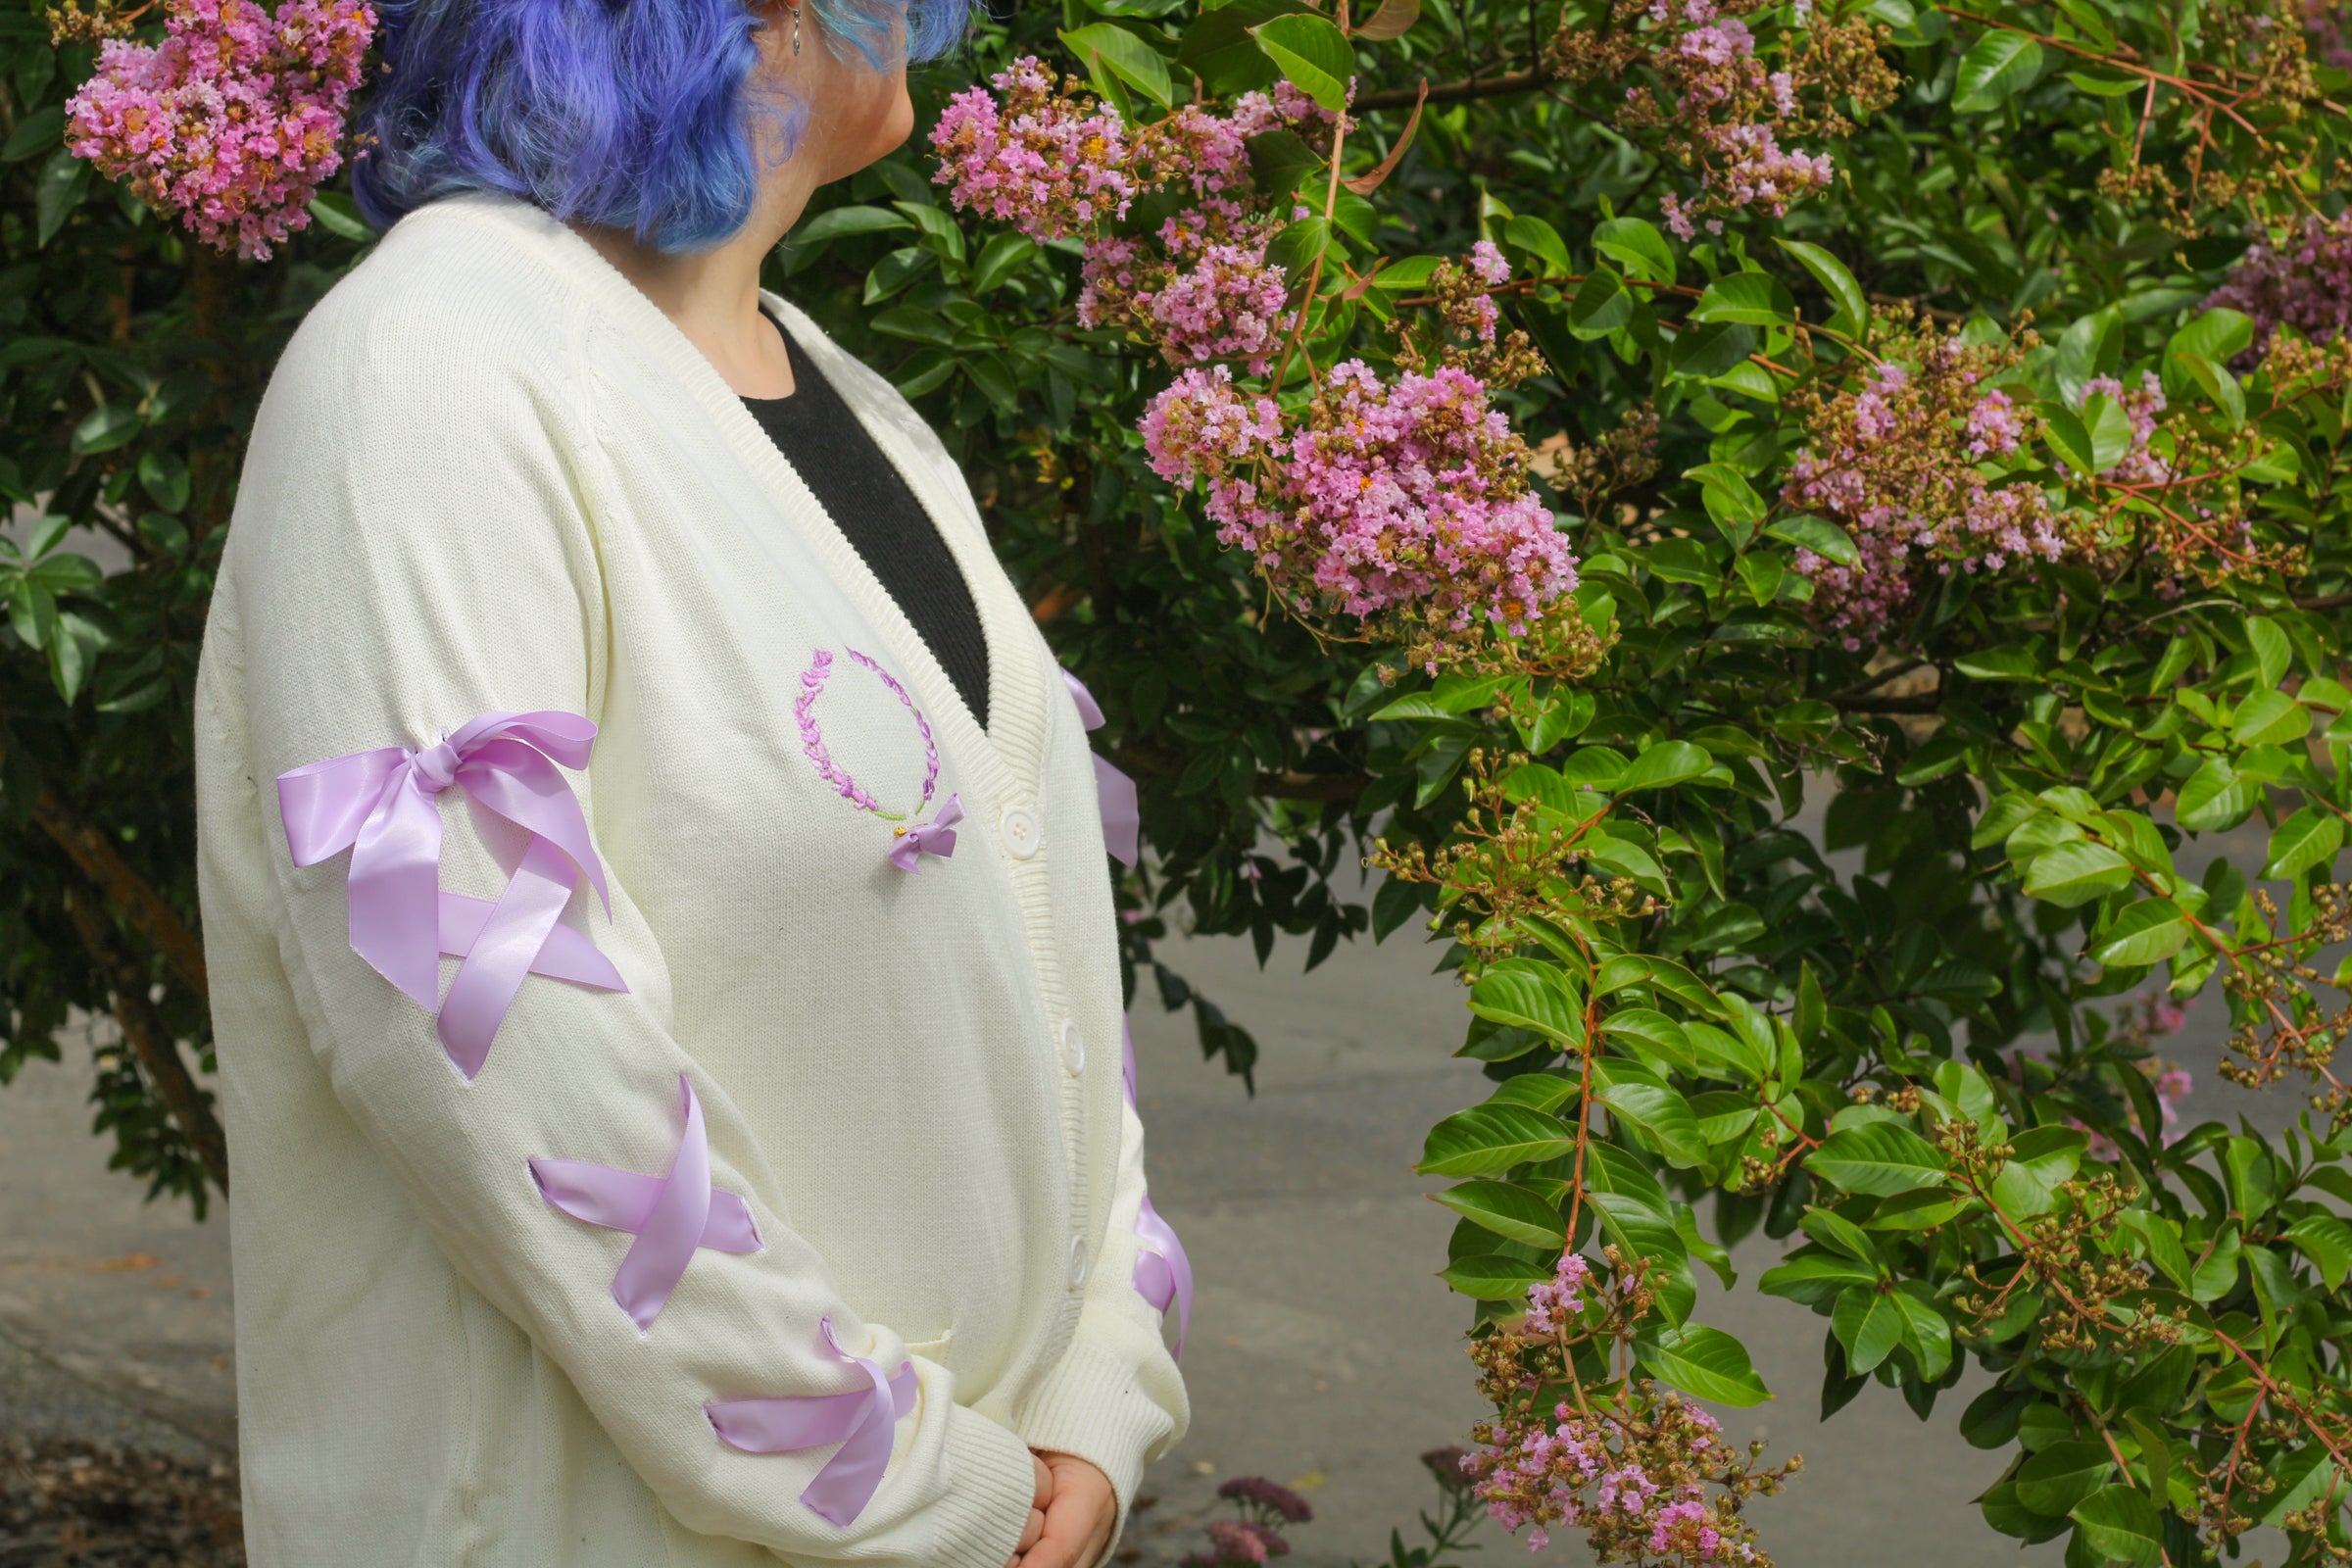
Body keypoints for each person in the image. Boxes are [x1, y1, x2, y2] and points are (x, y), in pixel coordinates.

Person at [189, 0, 1188, 1561]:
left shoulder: (857, 412)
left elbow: (1042, 961)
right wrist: (905, 1479)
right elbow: (489, 1027)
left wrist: (1098, 1384)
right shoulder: (435, 370)